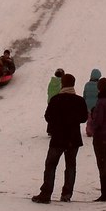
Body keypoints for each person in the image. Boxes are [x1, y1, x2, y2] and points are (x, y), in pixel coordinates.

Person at [32, 73, 89, 203]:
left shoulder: (56, 99)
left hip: (58, 138)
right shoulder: (80, 101)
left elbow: (48, 116)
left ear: (62, 84)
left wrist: (56, 123)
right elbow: (84, 118)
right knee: (70, 166)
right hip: (73, 139)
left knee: (51, 165)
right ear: (73, 84)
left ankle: (46, 194)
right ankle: (67, 194)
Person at [83, 68, 101, 137]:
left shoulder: (87, 84)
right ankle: (95, 130)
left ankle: (89, 130)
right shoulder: (99, 85)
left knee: (89, 118)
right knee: (95, 118)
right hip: (96, 105)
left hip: (88, 104)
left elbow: (84, 94)